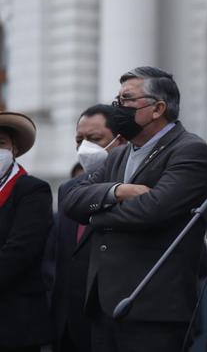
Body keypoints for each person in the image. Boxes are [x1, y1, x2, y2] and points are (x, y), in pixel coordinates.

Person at [61, 67, 207, 352]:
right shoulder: (119, 153)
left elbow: (152, 210)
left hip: (153, 306)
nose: (117, 108)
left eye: (127, 100)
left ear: (158, 108)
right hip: (103, 304)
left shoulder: (189, 150)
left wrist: (96, 216)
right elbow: (71, 199)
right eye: (117, 99)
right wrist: (118, 191)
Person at [51, 104, 125, 352]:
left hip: (114, 325)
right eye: (79, 140)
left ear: (120, 140)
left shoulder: (134, 190)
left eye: (94, 139)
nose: (85, 147)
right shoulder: (68, 190)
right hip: (68, 328)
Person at [0, 111, 54, 351]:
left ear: (13, 149)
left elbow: (22, 249)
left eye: (0, 143)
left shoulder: (32, 190)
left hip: (15, 321)